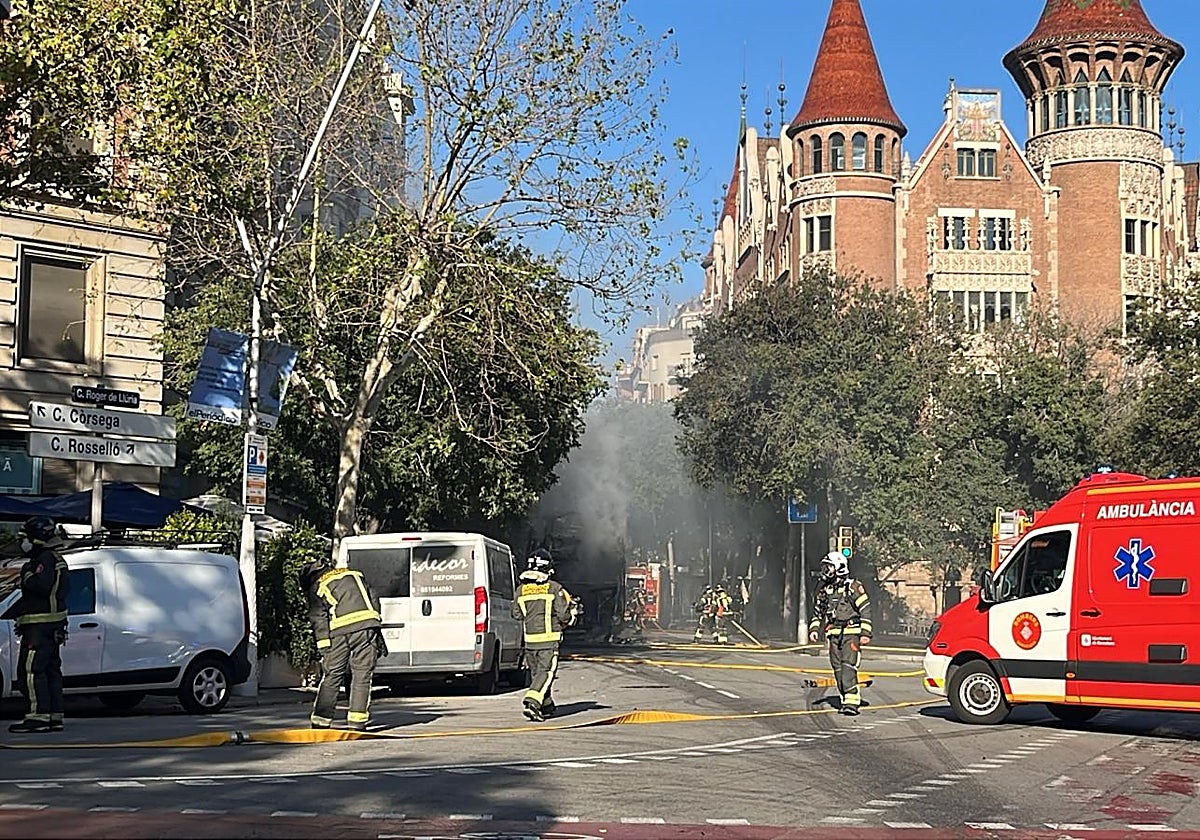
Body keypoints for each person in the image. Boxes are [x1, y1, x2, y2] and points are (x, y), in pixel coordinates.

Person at [302, 559, 384, 731]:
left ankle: (321, 721)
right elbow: (374, 597)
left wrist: (324, 646)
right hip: (367, 628)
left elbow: (319, 618)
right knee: (362, 676)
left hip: (340, 632)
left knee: (332, 676)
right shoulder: (355, 574)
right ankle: (357, 723)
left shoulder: (318, 586)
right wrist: (375, 624)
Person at [6, 516, 69, 734]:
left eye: (26, 538)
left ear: (37, 539)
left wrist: (26, 574)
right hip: (49, 627)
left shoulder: (44, 560)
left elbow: (40, 587)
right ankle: (54, 715)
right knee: (51, 671)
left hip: (39, 629)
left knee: (32, 671)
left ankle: (38, 716)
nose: (23, 542)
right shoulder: (54, 558)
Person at [512, 548, 575, 722]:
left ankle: (546, 705)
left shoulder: (520, 590)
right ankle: (532, 702)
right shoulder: (555, 588)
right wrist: (573, 615)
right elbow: (564, 616)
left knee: (537, 675)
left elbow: (516, 614)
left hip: (530, 642)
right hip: (549, 641)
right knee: (546, 673)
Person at [808, 551, 873, 716]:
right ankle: (845, 699)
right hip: (834, 634)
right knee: (837, 668)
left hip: (851, 633)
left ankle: (852, 702)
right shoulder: (826, 590)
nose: (826, 570)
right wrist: (814, 629)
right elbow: (818, 612)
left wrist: (866, 633)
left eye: (829, 567)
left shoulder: (852, 587)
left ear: (839, 567)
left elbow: (865, 609)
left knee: (848, 666)